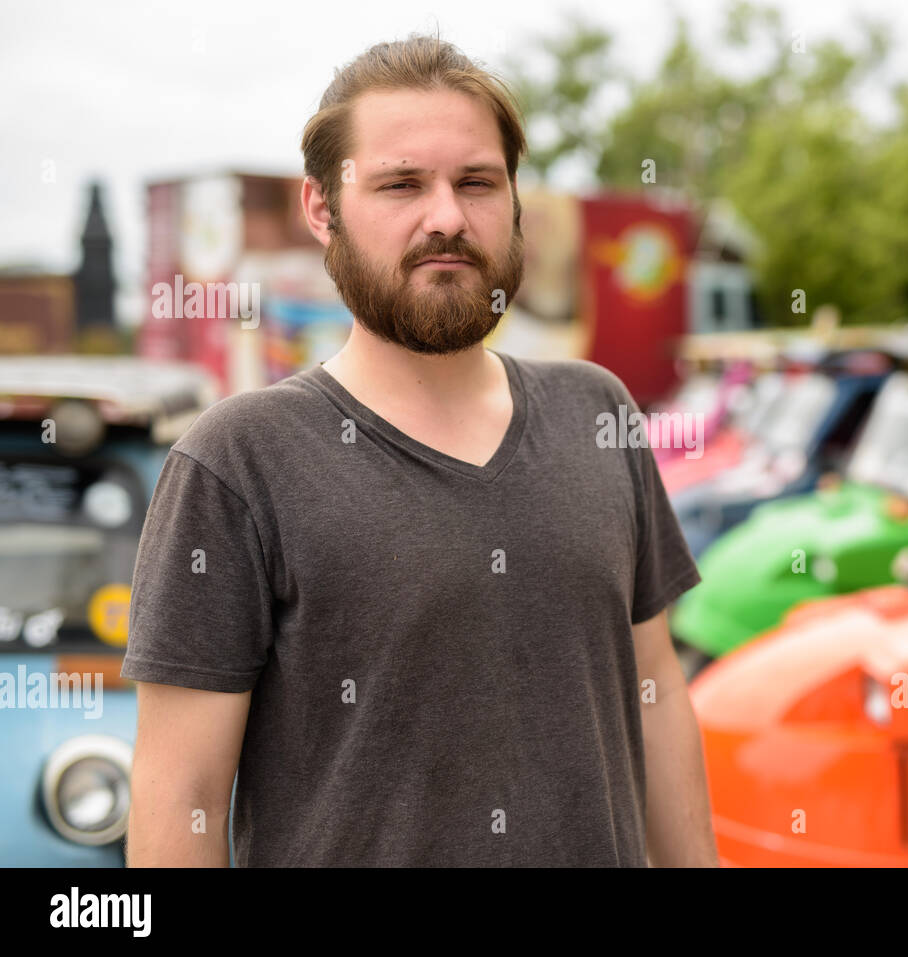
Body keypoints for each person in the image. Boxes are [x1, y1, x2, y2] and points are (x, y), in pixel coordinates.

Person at [122, 32, 717, 867]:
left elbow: (654, 697)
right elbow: (177, 799)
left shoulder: (600, 413)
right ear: (322, 209)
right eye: (402, 183)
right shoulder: (237, 462)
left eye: (477, 181)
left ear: (513, 200)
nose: (446, 216)